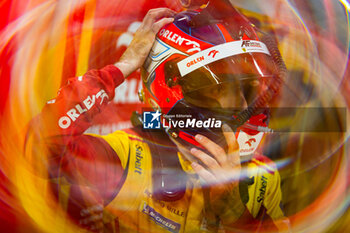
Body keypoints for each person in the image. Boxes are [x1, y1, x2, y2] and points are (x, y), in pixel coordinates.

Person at [26, 4, 290, 233]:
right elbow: (38, 147)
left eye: (244, 89)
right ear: (175, 92)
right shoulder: (130, 155)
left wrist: (236, 213)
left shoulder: (263, 176)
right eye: (220, 88)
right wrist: (122, 67)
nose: (244, 105)